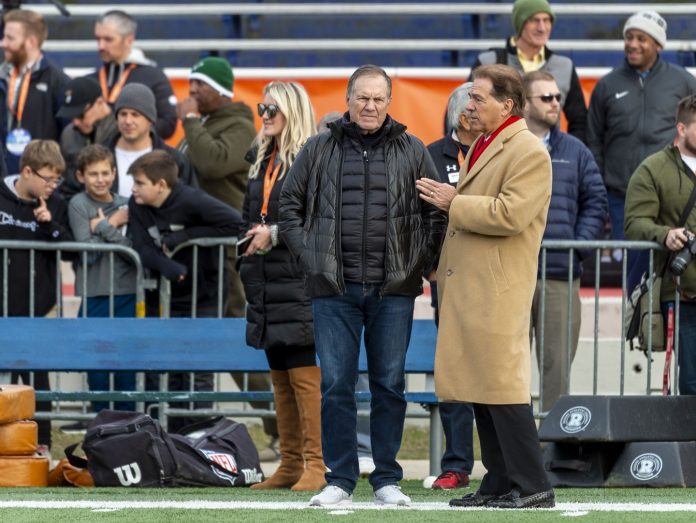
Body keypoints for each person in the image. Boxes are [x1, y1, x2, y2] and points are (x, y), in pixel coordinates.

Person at [280, 64, 445, 507]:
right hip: (334, 290)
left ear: (389, 102)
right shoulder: (317, 149)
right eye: (362, 98)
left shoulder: (413, 150)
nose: (370, 106)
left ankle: (387, 478)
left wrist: (417, 264)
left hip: (393, 291)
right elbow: (288, 206)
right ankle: (340, 479)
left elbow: (435, 214)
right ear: (348, 100)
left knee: (390, 384)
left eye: (378, 99)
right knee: (336, 385)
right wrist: (311, 258)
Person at [416, 64, 554, 509]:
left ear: (506, 105)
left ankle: (532, 485)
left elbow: (510, 214)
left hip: (498, 288)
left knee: (504, 388)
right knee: (481, 387)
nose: (468, 104)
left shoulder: (529, 152)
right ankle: (498, 481)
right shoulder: (486, 144)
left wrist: (455, 201)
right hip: (474, 288)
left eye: (477, 98)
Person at [238, 81, 324, 491]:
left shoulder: (311, 157)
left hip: (298, 278)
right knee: (280, 374)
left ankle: (316, 464)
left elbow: (318, 220)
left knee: (305, 374)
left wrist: (272, 233)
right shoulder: (261, 158)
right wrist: (248, 236)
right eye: (262, 108)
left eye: (273, 108)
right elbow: (247, 212)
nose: (266, 115)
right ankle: (290, 463)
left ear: (293, 111)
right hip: (265, 279)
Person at [127, 150, 242, 432]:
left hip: (203, 295)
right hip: (164, 297)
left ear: (161, 186)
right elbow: (141, 246)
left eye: (140, 183)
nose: (134, 189)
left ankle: (197, 434)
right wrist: (169, 267)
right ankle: (168, 434)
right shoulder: (138, 204)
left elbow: (235, 223)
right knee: (167, 366)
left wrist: (185, 237)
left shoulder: (192, 199)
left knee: (198, 367)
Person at [523, 71, 607, 412]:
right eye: (546, 98)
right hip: (512, 275)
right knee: (507, 371)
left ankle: (553, 453)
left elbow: (596, 202)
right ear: (525, 103)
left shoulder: (575, 150)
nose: (555, 103)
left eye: (557, 97)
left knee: (557, 372)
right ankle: (514, 455)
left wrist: (577, 245)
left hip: (560, 272)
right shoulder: (502, 147)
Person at [587, 10, 696, 244]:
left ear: (658, 45)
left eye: (641, 39)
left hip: (671, 194)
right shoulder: (606, 85)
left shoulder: (683, 81)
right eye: (629, 37)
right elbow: (594, 139)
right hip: (621, 196)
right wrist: (603, 185)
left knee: (672, 266)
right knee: (632, 268)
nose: (632, 44)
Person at [0, 139, 72, 451]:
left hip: (36, 309)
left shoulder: (57, 204)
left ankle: (40, 443)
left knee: (35, 380)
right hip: (2, 306)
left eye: (58, 179)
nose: (53, 185)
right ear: (27, 171)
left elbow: (70, 248)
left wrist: (49, 226)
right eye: (48, 178)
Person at [424, 83, 477, 491]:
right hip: (450, 279)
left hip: (493, 277)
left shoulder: (503, 151)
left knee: (496, 372)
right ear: (465, 117)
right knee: (456, 372)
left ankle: (505, 462)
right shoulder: (430, 154)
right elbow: (419, 217)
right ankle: (457, 464)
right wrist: (430, 267)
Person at [625, 94, 696, 395]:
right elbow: (634, 223)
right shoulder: (652, 169)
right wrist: (665, 234)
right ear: (681, 128)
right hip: (682, 293)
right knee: (692, 383)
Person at [67, 144, 136, 421]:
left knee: (126, 362)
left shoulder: (127, 204)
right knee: (95, 361)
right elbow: (88, 252)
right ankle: (102, 420)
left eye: (105, 173)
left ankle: (129, 421)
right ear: (81, 176)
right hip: (95, 293)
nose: (100, 179)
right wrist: (113, 224)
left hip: (127, 292)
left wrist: (105, 226)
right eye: (93, 174)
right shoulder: (79, 204)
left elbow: (132, 250)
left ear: (114, 172)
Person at [471, 0, 586, 142]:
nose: (542, 27)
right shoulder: (489, 62)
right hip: (500, 156)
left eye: (547, 20)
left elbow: (580, 122)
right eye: (534, 20)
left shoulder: (564, 66)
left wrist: (566, 156)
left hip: (549, 158)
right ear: (520, 24)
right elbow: (465, 111)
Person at [0, 8, 69, 174]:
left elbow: (67, 139)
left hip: (38, 183)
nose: (3, 43)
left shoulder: (58, 82)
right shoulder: (2, 76)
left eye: (10, 38)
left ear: (31, 41)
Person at [90, 10, 177, 139]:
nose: (101, 46)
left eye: (108, 39)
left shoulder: (154, 76)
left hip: (141, 156)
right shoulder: (91, 79)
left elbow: (168, 125)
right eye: (98, 39)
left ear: (129, 40)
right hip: (98, 156)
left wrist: (127, 128)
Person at [106, 83, 195, 199]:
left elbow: (191, 204)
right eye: (123, 114)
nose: (128, 121)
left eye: (135, 115)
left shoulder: (175, 161)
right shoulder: (98, 157)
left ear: (150, 120)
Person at [57, 76, 118, 200]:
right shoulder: (69, 134)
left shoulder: (122, 131)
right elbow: (66, 186)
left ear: (100, 102)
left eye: (80, 115)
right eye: (70, 116)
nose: (75, 122)